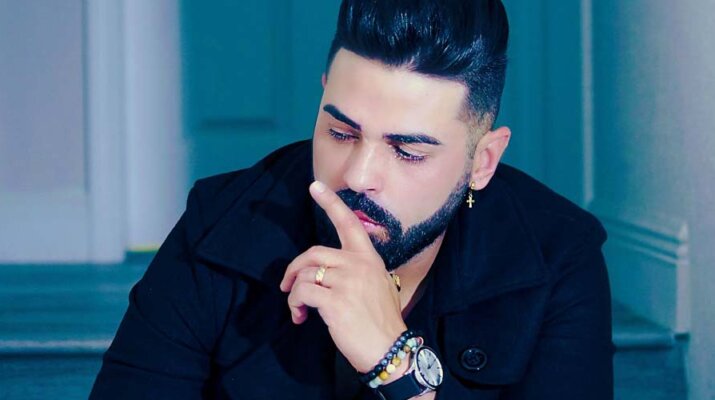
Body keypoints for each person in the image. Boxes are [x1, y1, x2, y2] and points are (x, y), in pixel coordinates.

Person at [90, 0, 614, 399]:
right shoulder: (223, 223)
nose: (359, 176)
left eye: (407, 151)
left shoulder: (558, 255)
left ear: (483, 162)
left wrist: (397, 366)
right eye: (340, 132)